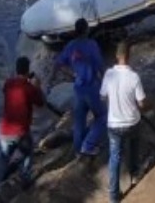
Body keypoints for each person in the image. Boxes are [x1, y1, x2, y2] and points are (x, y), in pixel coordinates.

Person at [51, 18, 106, 157]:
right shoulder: (91, 45)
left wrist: (72, 75)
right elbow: (100, 67)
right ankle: (88, 145)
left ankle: (77, 150)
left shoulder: (71, 46)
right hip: (91, 86)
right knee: (102, 116)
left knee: (79, 121)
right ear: (86, 30)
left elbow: (58, 64)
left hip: (78, 87)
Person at [101, 41, 148, 203]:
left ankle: (114, 196)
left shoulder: (108, 74)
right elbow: (142, 103)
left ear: (116, 55)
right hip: (132, 122)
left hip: (114, 125)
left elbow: (102, 96)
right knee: (134, 145)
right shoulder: (134, 76)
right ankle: (135, 174)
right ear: (129, 56)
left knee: (115, 157)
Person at [0, 56, 45, 192]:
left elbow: (8, 90)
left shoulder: (8, 83)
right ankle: (25, 179)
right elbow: (41, 102)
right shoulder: (29, 88)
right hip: (20, 132)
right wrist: (37, 87)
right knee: (28, 152)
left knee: (3, 159)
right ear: (28, 70)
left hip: (4, 130)